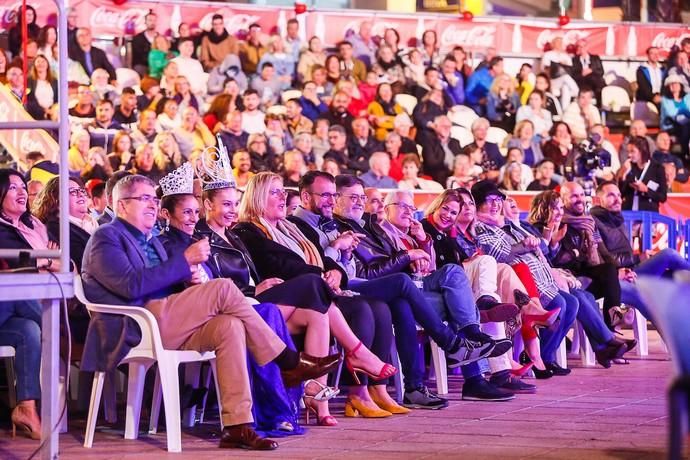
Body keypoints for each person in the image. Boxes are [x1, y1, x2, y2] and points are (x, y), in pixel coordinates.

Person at [80, 174, 339, 449]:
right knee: (223, 288)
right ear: (121, 206)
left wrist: (186, 279)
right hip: (134, 325)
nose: (152, 205)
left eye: (153, 199)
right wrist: (184, 261)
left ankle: (238, 426)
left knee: (230, 326)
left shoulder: (151, 239)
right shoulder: (106, 236)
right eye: (143, 199)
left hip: (165, 319)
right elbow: (131, 286)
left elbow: (159, 279)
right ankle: (287, 361)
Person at [233, 172, 404, 422]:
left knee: (331, 312)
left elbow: (324, 262)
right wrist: (324, 275)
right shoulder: (248, 230)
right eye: (275, 192)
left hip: (307, 297)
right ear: (257, 197)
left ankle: (320, 398)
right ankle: (358, 355)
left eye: (283, 191)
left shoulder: (292, 228)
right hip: (272, 299)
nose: (282, 197)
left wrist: (335, 272)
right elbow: (280, 265)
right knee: (325, 289)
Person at [333, 176, 506, 404]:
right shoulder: (366, 228)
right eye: (358, 198)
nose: (366, 204)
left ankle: (427, 378)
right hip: (379, 288)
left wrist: (421, 245)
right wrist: (409, 256)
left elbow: (424, 265)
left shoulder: (375, 228)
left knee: (451, 282)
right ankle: (461, 355)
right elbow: (365, 271)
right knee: (448, 298)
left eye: (362, 198)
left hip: (411, 289)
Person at [470, 181, 576, 377]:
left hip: (538, 278)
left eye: (498, 200)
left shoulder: (510, 224)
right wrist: (525, 245)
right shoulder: (480, 226)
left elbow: (542, 250)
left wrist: (542, 237)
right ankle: (538, 354)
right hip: (511, 281)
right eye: (489, 200)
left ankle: (544, 354)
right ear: (477, 204)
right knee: (562, 302)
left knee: (573, 302)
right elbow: (496, 253)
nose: (496, 205)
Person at [518, 192, 635, 366]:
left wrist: (577, 243)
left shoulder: (577, 225)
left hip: (563, 277)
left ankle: (603, 347)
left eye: (559, 208)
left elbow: (594, 257)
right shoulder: (535, 228)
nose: (559, 212)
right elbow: (543, 259)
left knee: (589, 293)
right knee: (578, 298)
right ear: (543, 208)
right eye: (554, 208)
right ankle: (606, 341)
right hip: (547, 281)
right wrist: (553, 240)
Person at [591, 181, 690, 277]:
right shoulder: (593, 222)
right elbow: (603, 259)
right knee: (669, 254)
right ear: (597, 200)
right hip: (621, 275)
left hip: (633, 268)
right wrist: (638, 258)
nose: (618, 200)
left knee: (674, 275)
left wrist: (641, 259)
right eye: (611, 196)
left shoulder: (616, 217)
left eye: (618, 195)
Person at [616, 136, 667, 212]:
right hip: (629, 212)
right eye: (628, 151)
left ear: (642, 151)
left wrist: (646, 190)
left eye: (632, 151)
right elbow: (621, 193)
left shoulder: (657, 168)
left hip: (648, 213)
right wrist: (623, 175)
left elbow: (662, 197)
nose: (629, 155)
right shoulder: (629, 166)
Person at [419, 114, 461, 185]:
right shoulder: (428, 143)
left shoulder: (455, 142)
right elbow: (431, 164)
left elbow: (461, 159)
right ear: (436, 127)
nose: (447, 128)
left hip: (456, 175)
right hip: (439, 177)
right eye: (444, 126)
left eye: (449, 126)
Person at [541, 37, 578, 109]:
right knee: (565, 77)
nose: (560, 44)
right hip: (552, 80)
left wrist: (564, 65)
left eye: (561, 43)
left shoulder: (566, 56)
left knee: (565, 87)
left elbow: (570, 70)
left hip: (565, 82)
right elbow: (545, 70)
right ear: (553, 44)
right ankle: (577, 93)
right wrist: (558, 65)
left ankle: (564, 112)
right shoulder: (548, 55)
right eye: (558, 43)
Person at [660, 74, 690, 160]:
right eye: (671, 84)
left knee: (687, 126)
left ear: (681, 86)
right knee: (686, 126)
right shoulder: (665, 100)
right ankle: (685, 152)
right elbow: (672, 114)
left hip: (686, 124)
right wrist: (685, 112)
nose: (674, 86)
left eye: (676, 83)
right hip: (670, 126)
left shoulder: (687, 97)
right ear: (668, 87)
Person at [468, 118, 505, 182]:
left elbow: (503, 164)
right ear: (473, 131)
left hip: (495, 180)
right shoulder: (469, 148)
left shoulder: (493, 146)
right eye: (480, 129)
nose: (483, 132)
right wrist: (484, 175)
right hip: (477, 181)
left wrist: (497, 172)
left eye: (485, 129)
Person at [571, 39, 606, 104]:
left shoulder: (595, 58)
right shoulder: (574, 60)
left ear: (587, 47)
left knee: (597, 83)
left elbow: (601, 72)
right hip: (582, 81)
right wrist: (582, 74)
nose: (581, 48)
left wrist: (591, 70)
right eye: (579, 46)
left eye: (583, 46)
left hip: (595, 81)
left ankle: (600, 106)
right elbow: (573, 74)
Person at [131, 10, 158, 76]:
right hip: (143, 65)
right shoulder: (138, 38)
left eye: (154, 20)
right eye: (150, 20)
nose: (152, 22)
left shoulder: (160, 38)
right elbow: (139, 56)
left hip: (157, 66)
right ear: (145, 22)